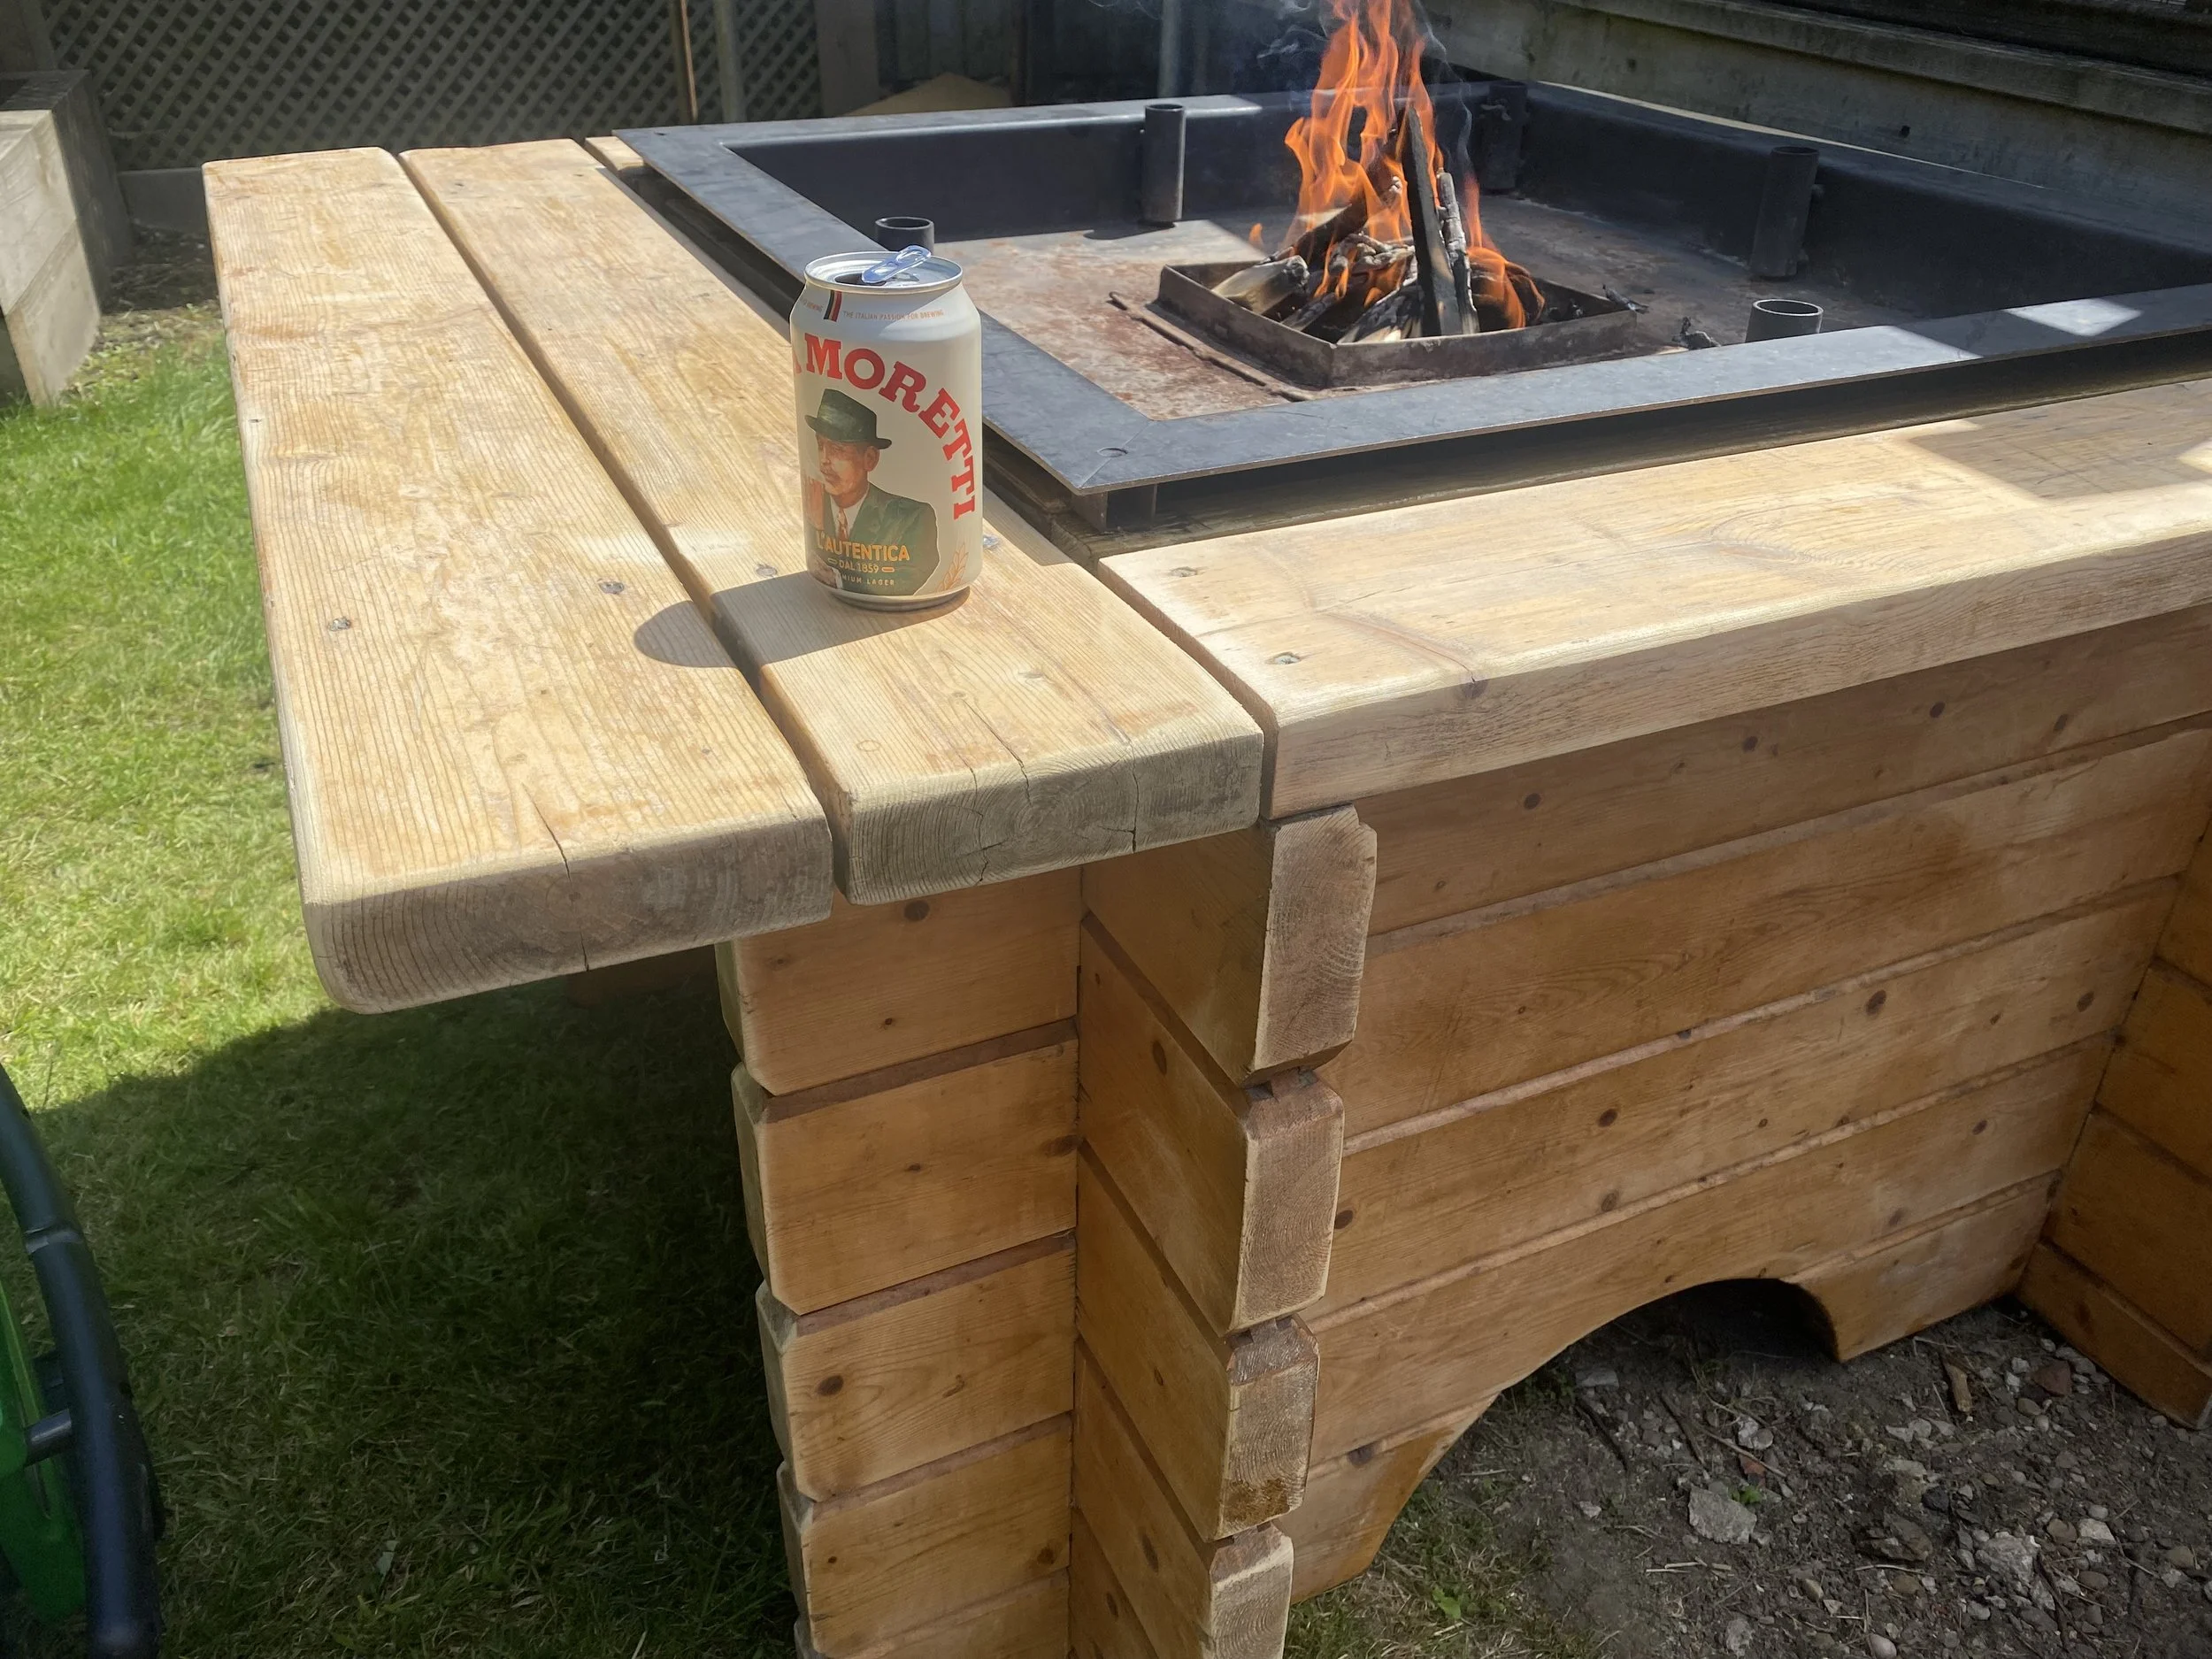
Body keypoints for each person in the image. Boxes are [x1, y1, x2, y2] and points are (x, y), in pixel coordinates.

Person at [803, 388, 939, 595]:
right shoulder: (815, 504)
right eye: (821, 445)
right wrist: (817, 527)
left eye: (837, 449)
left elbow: (909, 577)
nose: (824, 460)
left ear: (870, 459)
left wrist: (839, 581)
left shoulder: (911, 517)